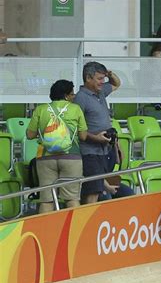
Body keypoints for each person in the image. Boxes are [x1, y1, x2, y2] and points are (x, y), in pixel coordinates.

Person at [26, 80, 88, 213]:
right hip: (71, 157)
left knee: (47, 200)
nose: (73, 97)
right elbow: (83, 136)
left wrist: (46, 132)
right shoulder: (75, 109)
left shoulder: (41, 109)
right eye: (72, 94)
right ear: (66, 95)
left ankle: (45, 232)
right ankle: (75, 230)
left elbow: (30, 135)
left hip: (45, 157)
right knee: (72, 198)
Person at [73, 61, 121, 204]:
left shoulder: (100, 93)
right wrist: (96, 138)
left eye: (104, 79)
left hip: (105, 151)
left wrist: (109, 74)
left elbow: (117, 84)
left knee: (99, 190)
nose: (102, 82)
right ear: (88, 78)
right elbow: (76, 127)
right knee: (92, 191)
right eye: (99, 79)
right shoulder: (81, 98)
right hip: (90, 152)